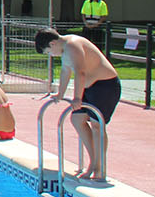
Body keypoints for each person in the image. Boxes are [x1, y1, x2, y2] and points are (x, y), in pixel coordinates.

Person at [35, 27, 122, 180]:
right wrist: (60, 94)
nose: (51, 55)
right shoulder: (65, 49)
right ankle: (93, 163)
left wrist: (77, 98)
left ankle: (99, 168)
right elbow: (65, 72)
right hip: (90, 88)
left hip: (105, 86)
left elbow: (80, 72)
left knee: (97, 125)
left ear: (53, 43)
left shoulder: (72, 45)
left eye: (49, 52)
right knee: (77, 119)